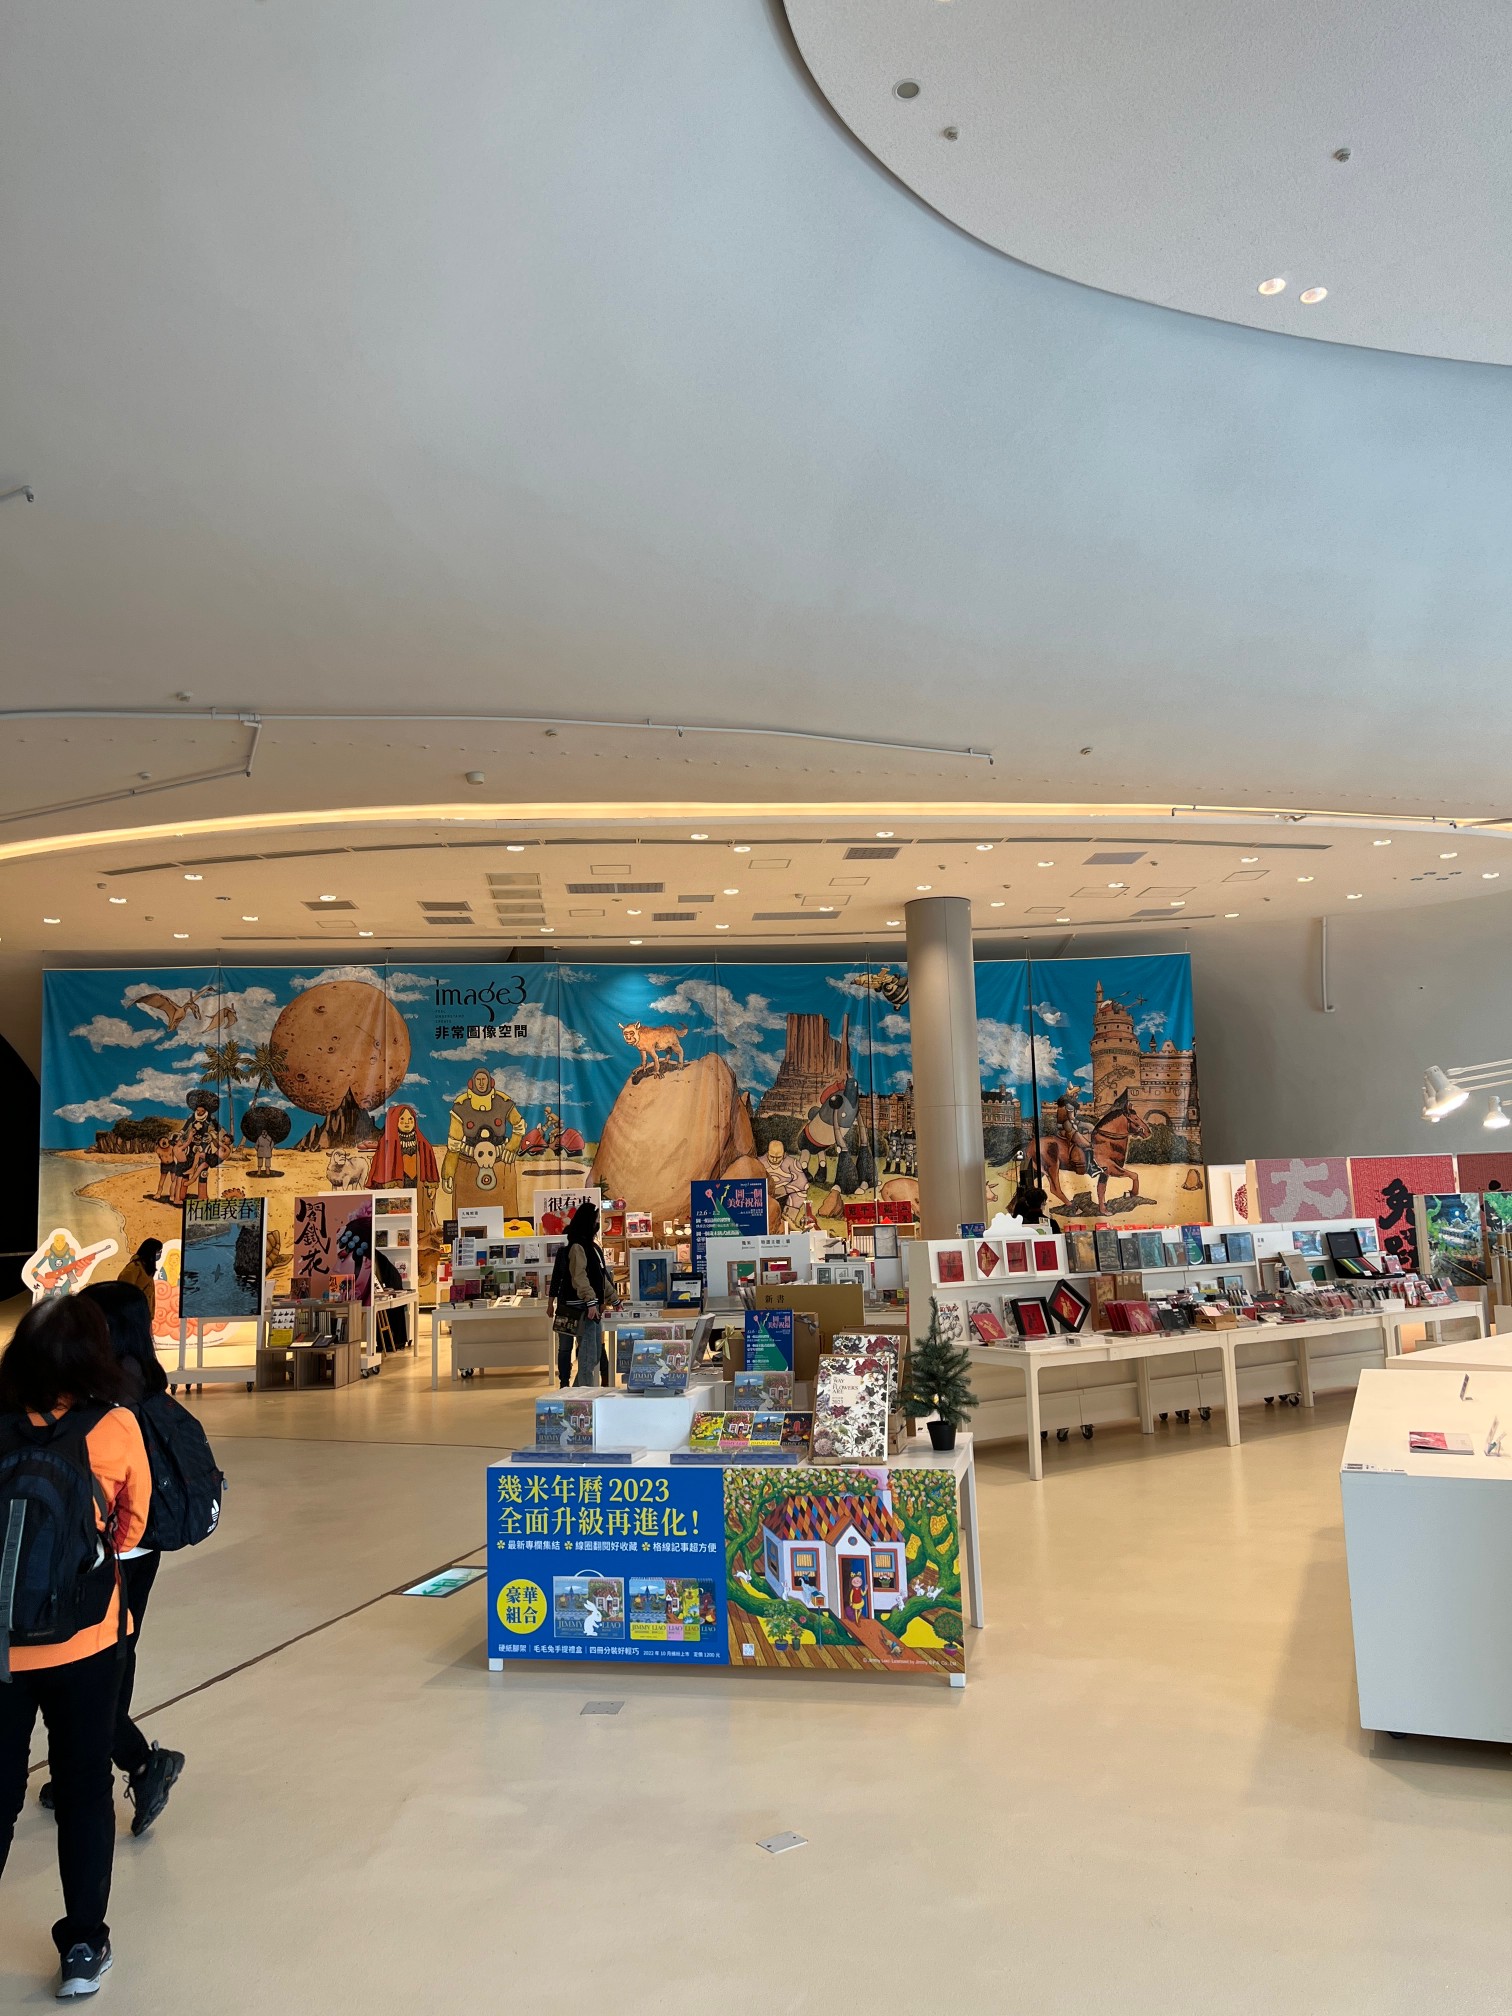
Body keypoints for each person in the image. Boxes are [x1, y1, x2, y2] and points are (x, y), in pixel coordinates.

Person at [0, 1296, 151, 1999]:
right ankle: (85, 1946)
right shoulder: (114, 1424)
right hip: (87, 1639)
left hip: (2, 1647)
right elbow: (131, 1529)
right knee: (85, 1788)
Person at [71, 1283, 185, 1838]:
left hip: (117, 1545)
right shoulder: (145, 1374)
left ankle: (141, 1763)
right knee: (118, 1651)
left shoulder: (113, 1385)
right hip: (140, 1546)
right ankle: (90, 1759)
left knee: (91, 1663)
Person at [551, 1202, 612, 1387]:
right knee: (571, 1349)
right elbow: (570, 1278)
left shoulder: (592, 1248)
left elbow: (600, 1276)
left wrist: (610, 1298)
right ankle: (567, 1386)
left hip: (586, 1306)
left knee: (591, 1352)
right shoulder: (574, 1249)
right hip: (572, 1307)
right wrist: (592, 1301)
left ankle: (578, 1388)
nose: (598, 1224)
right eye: (596, 1220)